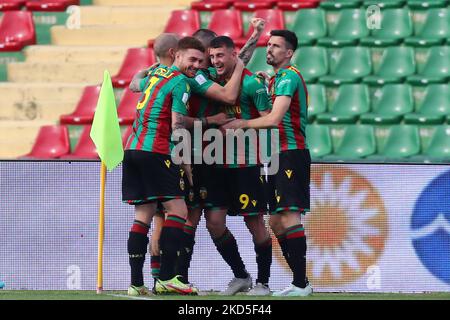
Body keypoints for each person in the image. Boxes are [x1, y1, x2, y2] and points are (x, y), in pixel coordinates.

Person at [222, 29, 313, 297]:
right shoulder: (276, 79)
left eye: (276, 46)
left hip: (290, 152)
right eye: (268, 44)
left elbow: (274, 119)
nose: (269, 49)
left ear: (289, 53)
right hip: (275, 154)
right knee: (275, 221)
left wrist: (243, 123)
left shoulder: (289, 77)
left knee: (289, 216)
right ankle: (300, 281)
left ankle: (301, 284)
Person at [122, 36, 207, 296]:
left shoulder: (157, 73)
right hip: (157, 151)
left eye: (200, 62)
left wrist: (142, 70)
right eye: (192, 59)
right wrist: (185, 163)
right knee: (178, 210)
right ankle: (168, 277)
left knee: (143, 215)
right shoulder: (181, 82)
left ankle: (136, 284)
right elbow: (178, 123)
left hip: (133, 149)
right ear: (176, 55)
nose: (196, 65)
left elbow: (135, 84)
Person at [206, 35, 274, 295]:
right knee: (214, 222)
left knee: (254, 222)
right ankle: (241, 276)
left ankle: (263, 282)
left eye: (220, 55)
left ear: (234, 55)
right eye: (212, 57)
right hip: (215, 163)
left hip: (246, 164)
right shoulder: (213, 81)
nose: (215, 61)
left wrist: (242, 127)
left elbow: (269, 120)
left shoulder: (252, 85)